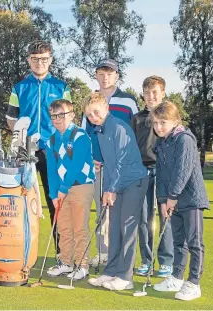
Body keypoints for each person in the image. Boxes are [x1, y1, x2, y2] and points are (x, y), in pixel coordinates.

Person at [6, 40, 72, 257]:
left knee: (56, 202)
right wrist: (21, 133)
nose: (39, 63)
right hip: (27, 151)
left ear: (50, 60)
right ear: (29, 60)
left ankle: (63, 255)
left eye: (44, 59)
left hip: (53, 152)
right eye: (35, 59)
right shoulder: (19, 87)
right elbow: (10, 119)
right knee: (24, 203)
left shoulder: (61, 87)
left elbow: (68, 119)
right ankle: (23, 251)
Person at [83, 92, 148, 291]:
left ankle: (125, 277)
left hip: (133, 182)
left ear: (106, 108)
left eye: (96, 112)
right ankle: (111, 271)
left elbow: (120, 163)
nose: (93, 116)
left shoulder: (119, 127)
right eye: (89, 115)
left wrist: (111, 189)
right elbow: (108, 165)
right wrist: (106, 191)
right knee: (113, 229)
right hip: (117, 184)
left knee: (127, 229)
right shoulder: (100, 131)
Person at [81, 59, 139, 267]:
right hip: (99, 167)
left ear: (116, 75)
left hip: (123, 168)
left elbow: (136, 133)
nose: (105, 77)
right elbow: (83, 136)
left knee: (124, 214)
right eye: (101, 73)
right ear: (96, 75)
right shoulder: (88, 101)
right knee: (102, 213)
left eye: (110, 73)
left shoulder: (128, 101)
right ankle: (104, 253)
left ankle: (122, 256)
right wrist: (89, 158)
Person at [151, 101, 209, 301]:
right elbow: (162, 173)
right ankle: (176, 277)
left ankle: (193, 283)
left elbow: (182, 171)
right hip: (172, 200)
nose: (158, 127)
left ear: (176, 121)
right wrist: (163, 199)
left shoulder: (185, 139)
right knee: (178, 242)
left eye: (163, 122)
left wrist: (172, 197)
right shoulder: (161, 143)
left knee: (194, 242)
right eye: (156, 123)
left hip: (191, 199)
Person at [45, 99, 95, 280]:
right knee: (63, 227)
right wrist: (53, 194)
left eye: (61, 115)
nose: (57, 119)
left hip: (80, 186)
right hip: (61, 190)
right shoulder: (51, 140)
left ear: (72, 115)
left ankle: (82, 265)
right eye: (53, 116)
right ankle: (66, 262)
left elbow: (76, 165)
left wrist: (63, 188)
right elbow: (51, 170)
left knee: (79, 228)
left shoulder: (81, 136)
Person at [131, 76, 173, 278]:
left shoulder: (170, 118)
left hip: (164, 171)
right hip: (142, 171)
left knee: (165, 216)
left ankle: (166, 261)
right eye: (147, 93)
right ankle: (146, 260)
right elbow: (131, 148)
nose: (150, 96)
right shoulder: (138, 118)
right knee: (144, 219)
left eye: (155, 92)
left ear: (163, 93)